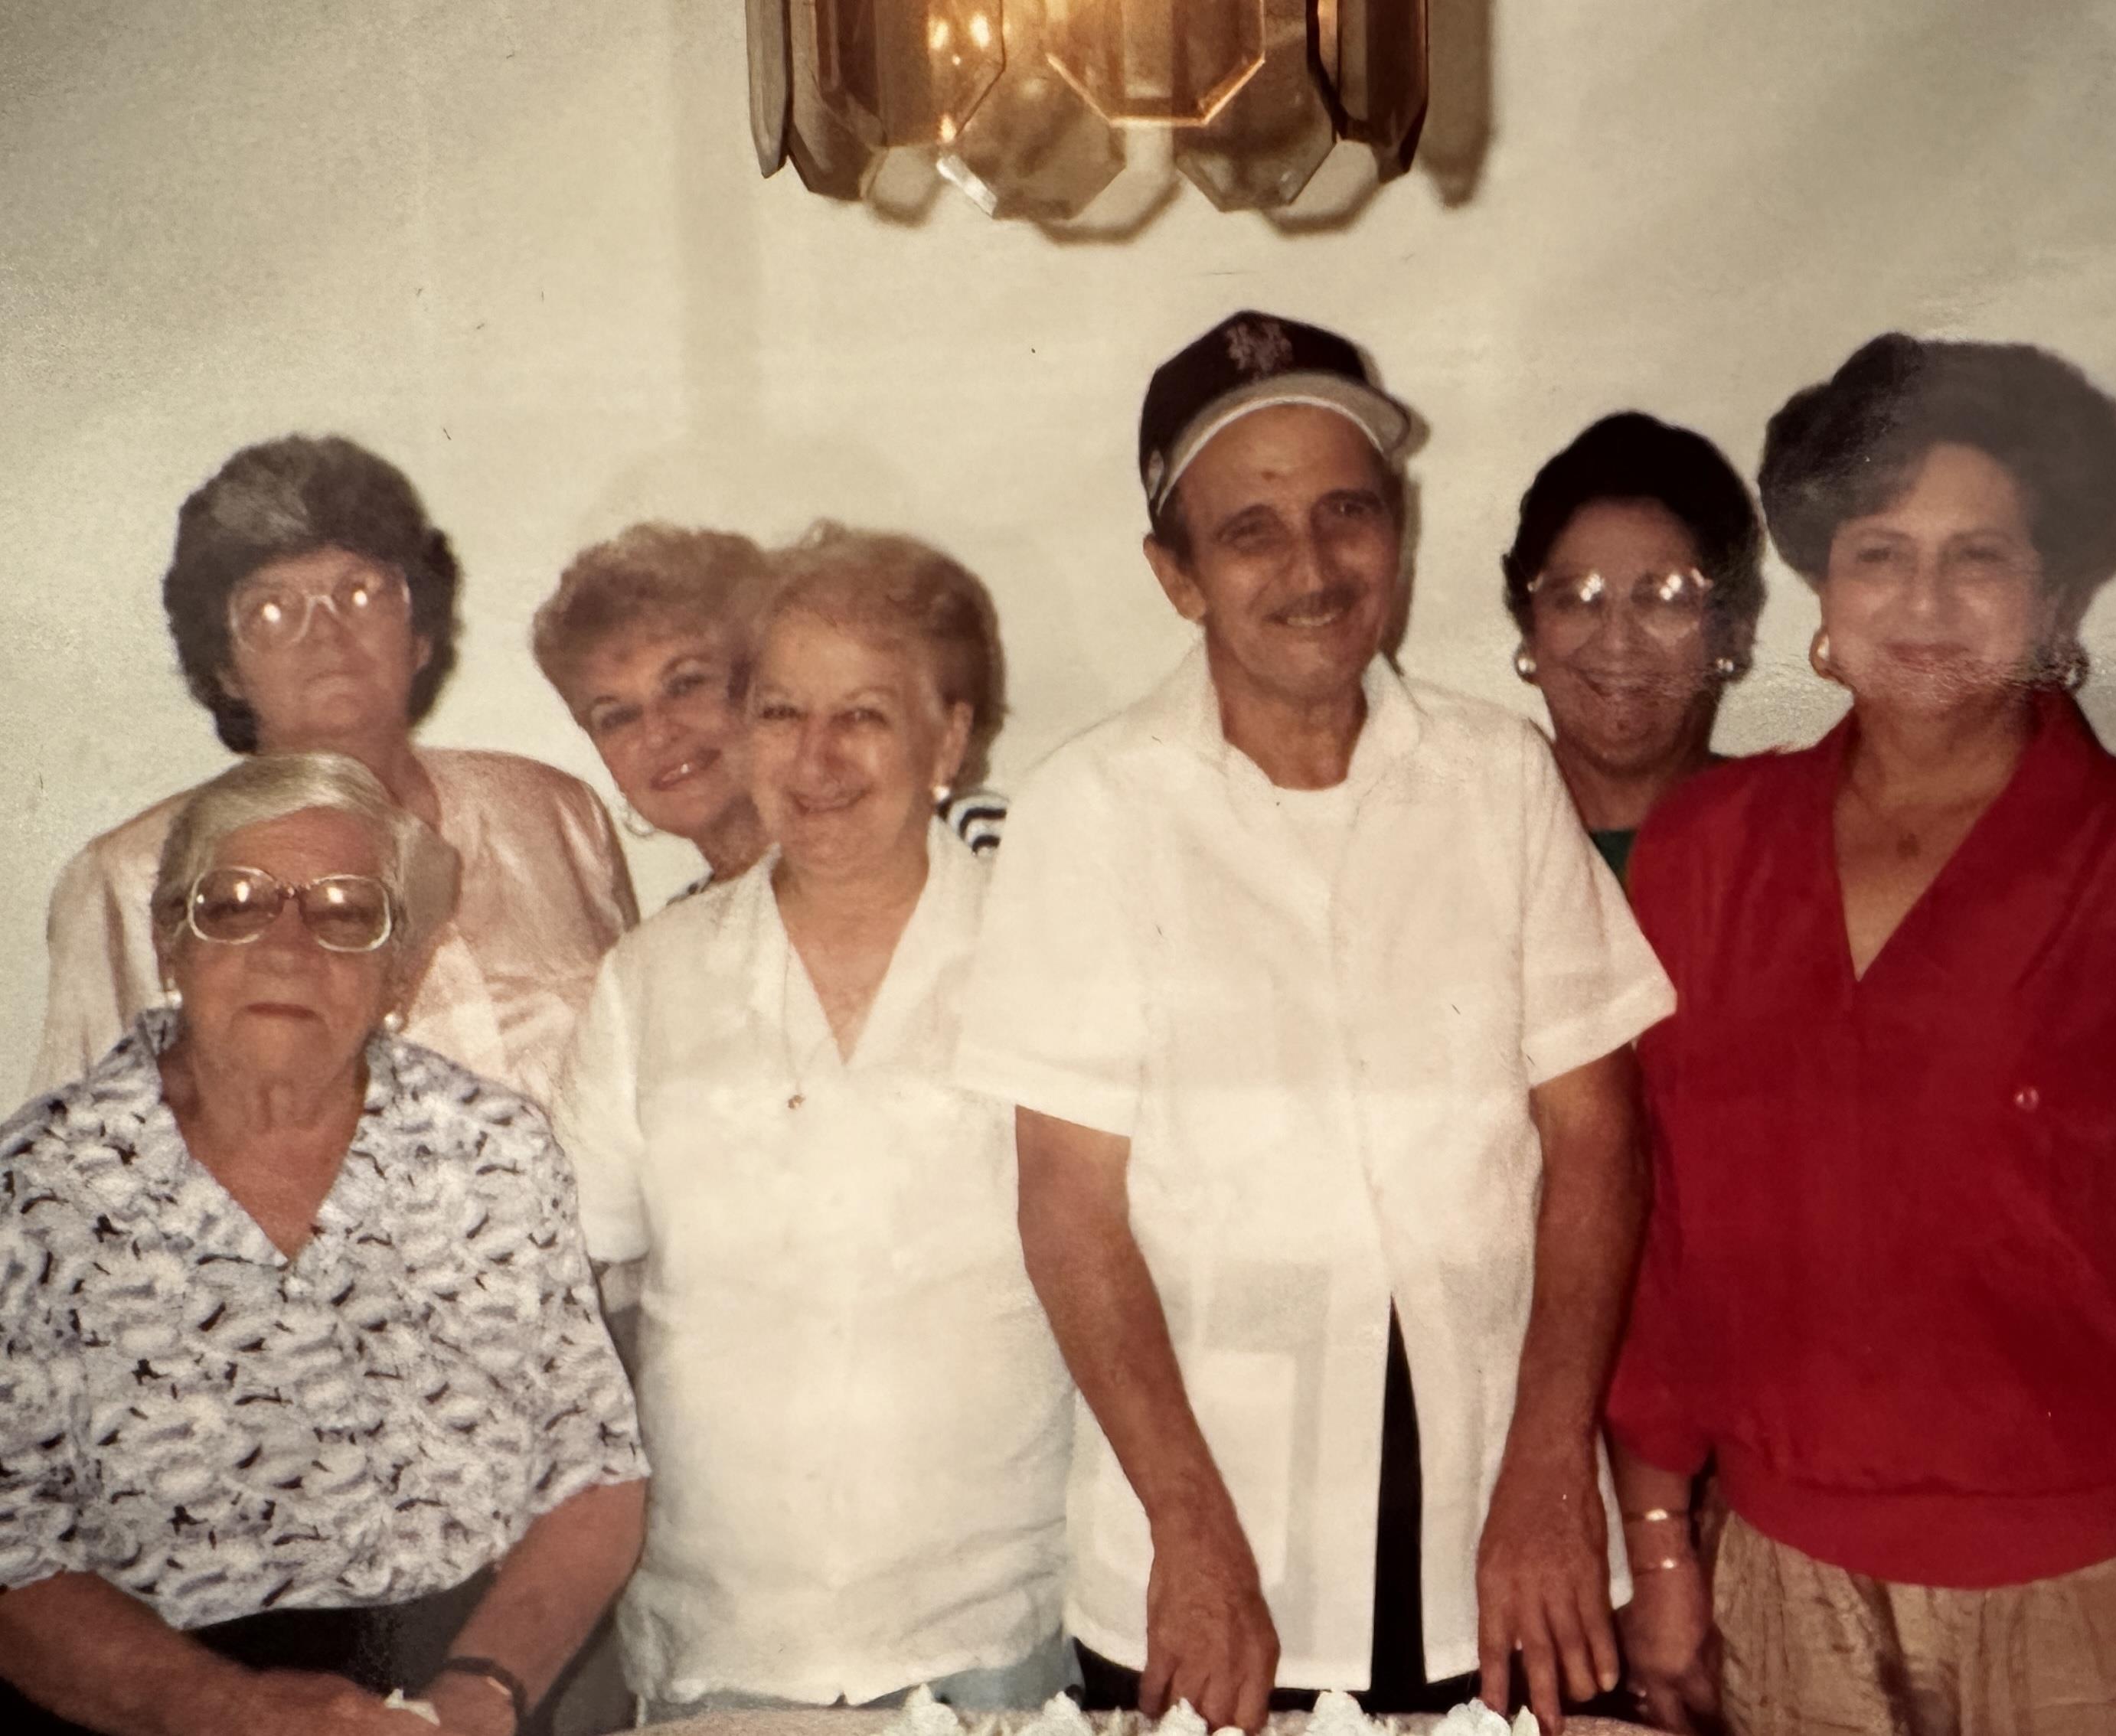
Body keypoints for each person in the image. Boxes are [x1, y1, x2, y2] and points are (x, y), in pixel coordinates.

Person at [1605, 334, 2116, 1736]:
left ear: (2056, 590)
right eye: (1879, 551)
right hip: (1781, 1579)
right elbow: (1658, 1237)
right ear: (1822, 587)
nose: (1925, 600)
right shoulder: (1708, 845)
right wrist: (1659, 1547)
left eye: (1978, 556)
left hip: (2097, 1596)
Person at [955, 312, 1673, 1734]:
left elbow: (1594, 1139)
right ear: (1176, 575)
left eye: (1347, 512)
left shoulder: (1496, 776)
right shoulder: (1091, 809)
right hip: (1217, 1547)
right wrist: (1191, 1531)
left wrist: (1545, 1472)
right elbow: (1070, 1204)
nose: (1312, 567)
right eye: (1251, 531)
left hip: (1497, 1536)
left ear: (1396, 535)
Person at [0, 752, 648, 1736]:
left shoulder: (490, 1151)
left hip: (451, 1685)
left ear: (404, 965)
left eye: (346, 913)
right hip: (138, 1701)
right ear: (172, 944)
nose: (288, 947)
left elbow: (593, 1473)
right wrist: (218, 1707)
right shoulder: (39, 1186)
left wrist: (480, 1696)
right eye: (235, 904)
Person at [551, 527, 1074, 1721]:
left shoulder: (1051, 952)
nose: (817, 757)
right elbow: (573, 1284)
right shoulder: (653, 977)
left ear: (951, 734)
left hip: (988, 1630)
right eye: (782, 712)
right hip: (717, 1641)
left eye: (866, 717)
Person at [33, 436, 638, 1104]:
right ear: (225, 666)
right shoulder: (129, 878)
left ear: (420, 632)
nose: (325, 635)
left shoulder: (555, 813)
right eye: (271, 609)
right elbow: (79, 1158)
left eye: (360, 593)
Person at [1501, 413, 1765, 879]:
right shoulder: (1464, 841)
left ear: (1733, 630)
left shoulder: (1801, 841)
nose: (1618, 642)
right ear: (1530, 630)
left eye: (1664, 599)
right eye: (1578, 599)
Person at [532, 525, 775, 899]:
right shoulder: (666, 946)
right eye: (618, 717)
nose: (658, 733)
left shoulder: (877, 879)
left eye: (685, 685)